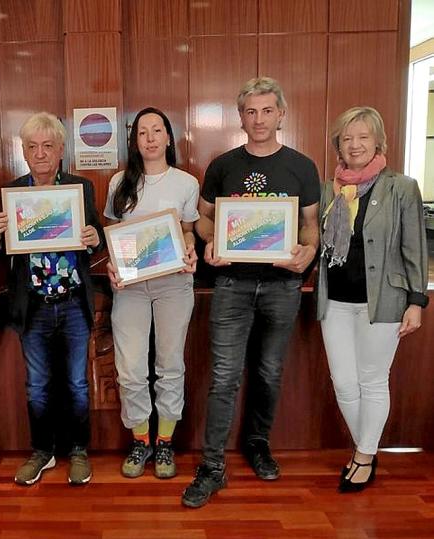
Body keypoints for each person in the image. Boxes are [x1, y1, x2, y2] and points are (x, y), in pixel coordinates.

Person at [182, 77, 321, 508]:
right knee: (224, 376)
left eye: (266, 110)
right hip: (231, 284)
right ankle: (212, 466)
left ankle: (257, 444)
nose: (258, 119)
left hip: (283, 285)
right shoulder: (223, 165)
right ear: (240, 117)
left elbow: (310, 224)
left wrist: (309, 249)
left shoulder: (302, 166)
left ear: (281, 114)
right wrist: (210, 242)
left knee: (269, 372)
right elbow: (204, 219)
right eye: (250, 111)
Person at [0, 112, 104, 486]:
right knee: (37, 385)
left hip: (71, 301)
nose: (40, 154)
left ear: (60, 151)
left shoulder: (80, 188)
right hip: (33, 303)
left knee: (76, 384)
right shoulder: (11, 192)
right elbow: (4, 251)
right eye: (32, 147)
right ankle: (42, 451)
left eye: (48, 146)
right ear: (23, 151)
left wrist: (93, 236)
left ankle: (79, 451)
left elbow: (96, 233)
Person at [317, 107, 429, 492]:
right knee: (344, 383)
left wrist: (417, 300)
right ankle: (367, 447)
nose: (355, 144)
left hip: (384, 301)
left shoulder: (401, 186)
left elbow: (414, 246)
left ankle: (363, 456)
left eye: (363, 136)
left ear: (378, 141)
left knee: (372, 380)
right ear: (338, 146)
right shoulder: (327, 189)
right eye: (347, 138)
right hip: (335, 302)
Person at [103, 107, 198, 479]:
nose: (151, 138)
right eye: (143, 132)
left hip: (174, 283)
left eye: (157, 130)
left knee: (170, 366)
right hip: (130, 288)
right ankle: (140, 439)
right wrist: (113, 264)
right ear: (135, 141)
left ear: (168, 137)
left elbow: (188, 231)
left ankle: (164, 444)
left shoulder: (186, 183)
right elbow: (113, 237)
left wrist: (189, 248)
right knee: (130, 369)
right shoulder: (118, 183)